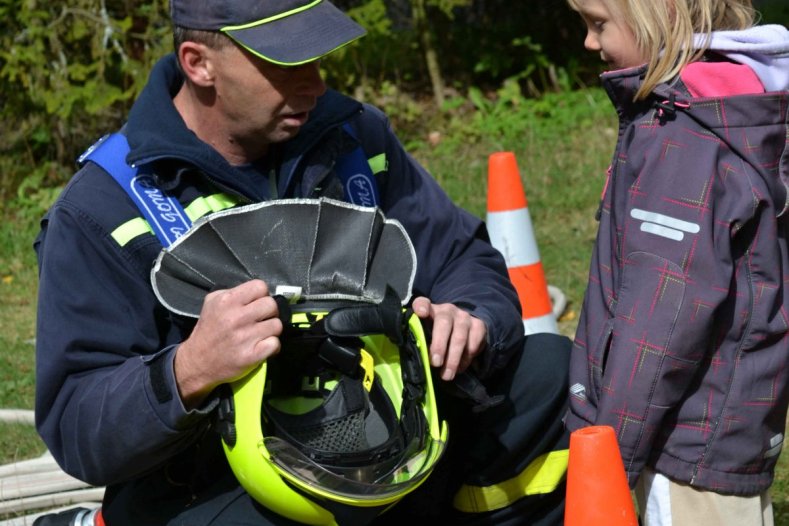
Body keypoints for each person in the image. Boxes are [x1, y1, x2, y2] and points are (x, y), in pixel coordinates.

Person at [34, 1, 571, 525]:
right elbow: (77, 424)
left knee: (547, 371)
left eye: (318, 58)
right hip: (221, 486)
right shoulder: (103, 207)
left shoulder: (355, 139)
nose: (314, 84)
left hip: (382, 439)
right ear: (199, 64)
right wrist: (189, 370)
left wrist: (469, 315)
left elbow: (461, 256)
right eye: (285, 65)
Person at [564, 0, 789, 524]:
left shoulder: (683, 141)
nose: (589, 43)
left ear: (660, 16)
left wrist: (607, 461)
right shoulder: (737, 106)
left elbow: (659, 331)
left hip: (679, 449)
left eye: (598, 24)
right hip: (729, 431)